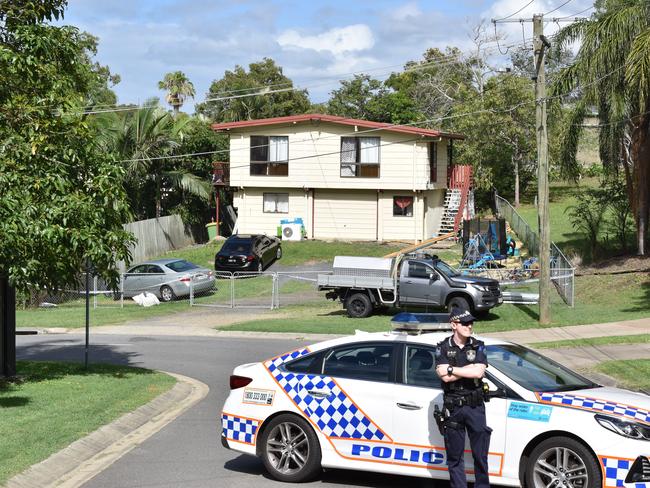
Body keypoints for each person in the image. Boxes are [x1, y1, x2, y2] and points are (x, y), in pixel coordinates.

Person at [435, 307, 491, 488]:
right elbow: (444, 377)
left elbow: (479, 372)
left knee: (480, 456)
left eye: (471, 322)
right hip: (453, 408)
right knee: (454, 458)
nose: (469, 326)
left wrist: (452, 369)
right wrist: (469, 370)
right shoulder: (443, 347)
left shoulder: (478, 345)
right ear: (453, 325)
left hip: (475, 407)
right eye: (465, 323)